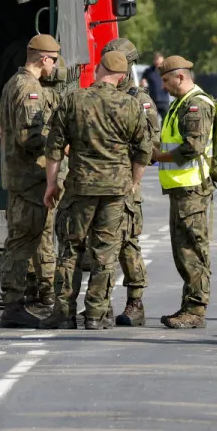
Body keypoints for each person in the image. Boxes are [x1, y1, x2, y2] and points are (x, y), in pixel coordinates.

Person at [48, 50, 152, 329]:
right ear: (121, 77)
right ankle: (95, 314)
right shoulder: (131, 105)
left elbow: (55, 148)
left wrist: (51, 185)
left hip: (80, 187)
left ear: (98, 69)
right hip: (116, 190)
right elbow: (144, 150)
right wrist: (132, 183)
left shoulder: (74, 100)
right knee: (105, 253)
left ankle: (64, 313)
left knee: (70, 249)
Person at [0, 34, 63, 328]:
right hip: (29, 176)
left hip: (19, 176)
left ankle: (18, 302)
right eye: (54, 61)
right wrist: (61, 144)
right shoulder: (30, 89)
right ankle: (13, 306)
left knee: (23, 239)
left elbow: (3, 125)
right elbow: (29, 137)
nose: (55, 67)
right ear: (44, 58)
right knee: (21, 242)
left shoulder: (13, 83)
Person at [150, 54, 215, 329]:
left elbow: (192, 148)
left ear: (181, 76)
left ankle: (196, 309)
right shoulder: (180, 104)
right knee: (182, 250)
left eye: (166, 80)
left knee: (193, 249)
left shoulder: (196, 106)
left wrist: (157, 157)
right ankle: (189, 305)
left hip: (192, 188)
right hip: (180, 188)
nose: (162, 86)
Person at [99, 37, 159, 327]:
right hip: (101, 183)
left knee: (127, 245)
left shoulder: (140, 100)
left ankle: (135, 302)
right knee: (100, 246)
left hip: (126, 184)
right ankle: (101, 304)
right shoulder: (98, 95)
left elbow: (150, 145)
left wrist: (133, 182)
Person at [144, 52, 172, 116]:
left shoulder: (166, 70)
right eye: (157, 61)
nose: (158, 64)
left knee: (166, 119)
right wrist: (143, 84)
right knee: (152, 119)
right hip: (152, 100)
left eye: (160, 62)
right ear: (154, 61)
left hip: (164, 100)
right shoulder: (148, 71)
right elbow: (143, 82)